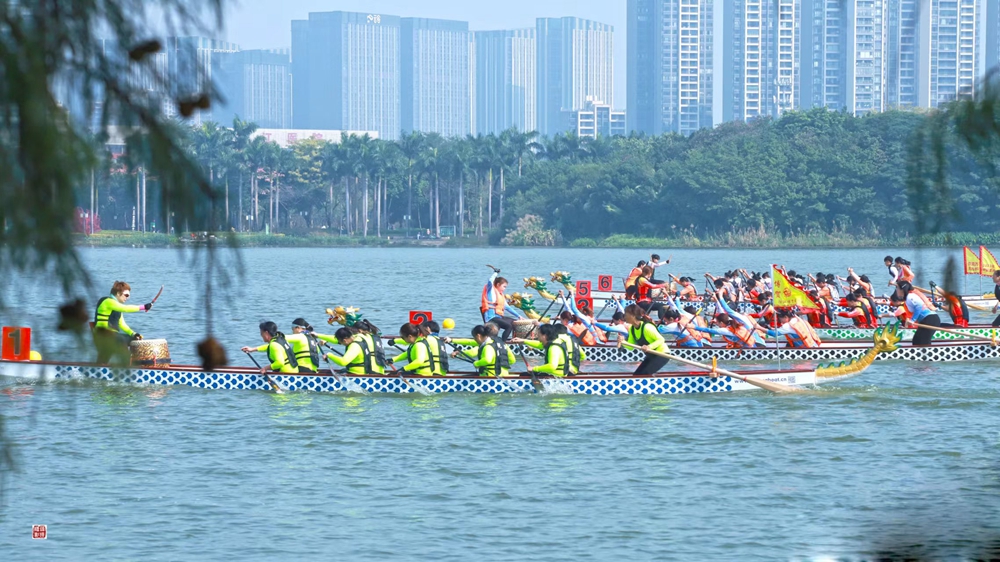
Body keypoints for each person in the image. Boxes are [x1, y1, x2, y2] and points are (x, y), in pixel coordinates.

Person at [93, 281, 153, 364]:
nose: (127, 298)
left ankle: (136, 363)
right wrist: (143, 307)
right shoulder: (108, 301)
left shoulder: (117, 307)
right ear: (118, 293)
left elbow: (122, 324)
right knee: (120, 340)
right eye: (126, 295)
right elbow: (125, 308)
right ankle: (127, 366)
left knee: (134, 339)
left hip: (112, 336)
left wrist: (133, 334)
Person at [513, 324, 582, 377]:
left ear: (544, 336)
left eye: (538, 334)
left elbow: (552, 366)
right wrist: (523, 341)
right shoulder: (556, 341)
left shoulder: (554, 347)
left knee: (523, 375)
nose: (537, 337)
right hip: (562, 372)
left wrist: (534, 368)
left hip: (556, 375)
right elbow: (540, 345)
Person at [617, 304, 669, 375]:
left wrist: (649, 347)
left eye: (626, 314)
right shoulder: (632, 329)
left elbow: (661, 340)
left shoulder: (647, 327)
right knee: (636, 375)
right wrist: (622, 341)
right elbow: (630, 347)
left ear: (632, 315)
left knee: (646, 373)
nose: (624, 316)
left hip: (662, 354)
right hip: (651, 355)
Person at [452, 324, 517, 378]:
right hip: (505, 375)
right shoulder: (503, 344)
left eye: (475, 338)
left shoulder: (487, 346)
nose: (475, 340)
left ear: (478, 336)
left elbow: (487, 360)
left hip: (490, 376)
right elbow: (512, 360)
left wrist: (476, 363)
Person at [479, 265, 525, 341]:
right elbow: (490, 281)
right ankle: (503, 343)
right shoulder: (490, 290)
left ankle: (515, 341)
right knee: (508, 326)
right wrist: (495, 273)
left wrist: (519, 316)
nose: (505, 289)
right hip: (491, 318)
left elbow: (508, 308)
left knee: (515, 323)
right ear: (498, 285)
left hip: (499, 317)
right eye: (504, 286)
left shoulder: (500, 295)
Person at [896, 281, 940, 345]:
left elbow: (919, 307)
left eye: (897, 288)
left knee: (922, 342)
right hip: (927, 320)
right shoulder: (907, 298)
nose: (896, 290)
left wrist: (913, 320)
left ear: (902, 290)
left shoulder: (910, 296)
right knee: (916, 341)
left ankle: (927, 353)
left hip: (930, 319)